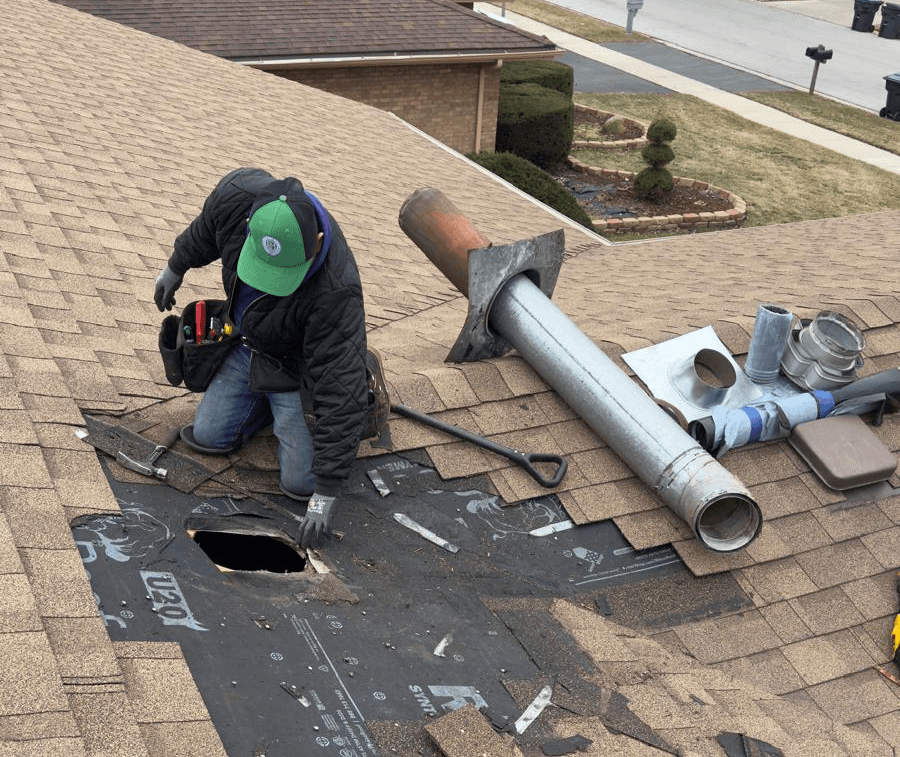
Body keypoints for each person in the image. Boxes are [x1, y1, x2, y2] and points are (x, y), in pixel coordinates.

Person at [153, 167, 387, 548]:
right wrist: (175, 266)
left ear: (317, 242)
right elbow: (205, 229)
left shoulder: (336, 293)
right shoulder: (237, 195)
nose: (267, 281)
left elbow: (339, 389)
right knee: (208, 437)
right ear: (249, 225)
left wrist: (325, 494)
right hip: (248, 342)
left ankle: (349, 374)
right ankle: (265, 402)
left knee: (301, 484)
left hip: (299, 365)